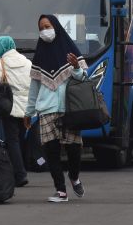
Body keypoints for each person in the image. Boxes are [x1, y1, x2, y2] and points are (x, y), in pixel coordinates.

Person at [24, 14, 88, 203]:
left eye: (47, 26)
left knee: (74, 149)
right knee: (51, 152)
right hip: (47, 110)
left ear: (57, 27)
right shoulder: (39, 56)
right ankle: (61, 191)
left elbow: (84, 78)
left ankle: (74, 177)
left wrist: (76, 67)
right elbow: (34, 88)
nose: (45, 31)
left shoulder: (70, 52)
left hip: (70, 109)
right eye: (41, 28)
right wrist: (28, 113)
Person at [0, 36, 31, 187]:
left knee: (12, 140)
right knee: (21, 138)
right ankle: (22, 169)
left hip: (10, 106)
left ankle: (20, 174)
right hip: (27, 106)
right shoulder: (27, 62)